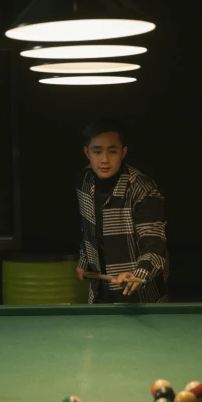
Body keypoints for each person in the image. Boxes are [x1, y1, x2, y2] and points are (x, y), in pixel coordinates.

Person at [74, 118, 169, 304]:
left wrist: (138, 274)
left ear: (123, 152)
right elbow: (87, 230)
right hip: (101, 294)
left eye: (112, 151)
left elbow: (155, 245)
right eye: (97, 151)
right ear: (87, 152)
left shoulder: (142, 188)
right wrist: (84, 261)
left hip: (142, 299)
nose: (104, 159)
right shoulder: (84, 181)